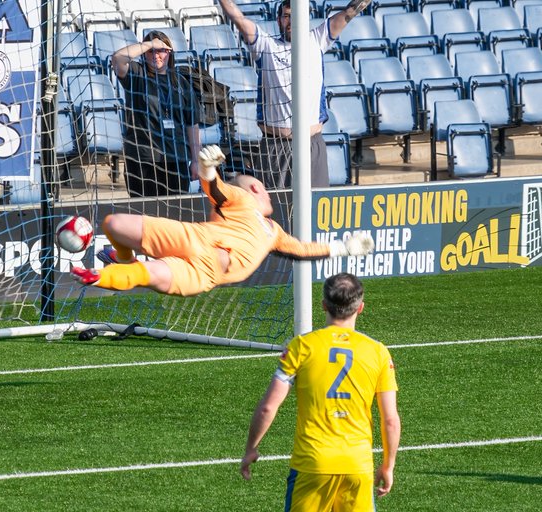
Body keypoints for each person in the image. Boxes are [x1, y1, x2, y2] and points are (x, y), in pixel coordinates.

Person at [240, 272, 400, 512]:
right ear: (361, 307)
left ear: (324, 306)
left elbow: (268, 405)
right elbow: (390, 419)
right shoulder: (377, 352)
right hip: (357, 465)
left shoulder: (301, 346)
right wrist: (388, 465)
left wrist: (251, 448)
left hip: (311, 463)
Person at [71, 145, 372, 295]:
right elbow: (214, 189)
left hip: (204, 275)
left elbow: (302, 251)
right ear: (255, 189)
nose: (267, 194)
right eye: (262, 188)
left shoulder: (275, 233)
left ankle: (103, 275)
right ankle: (122, 259)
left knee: (143, 274)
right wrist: (207, 170)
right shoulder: (242, 200)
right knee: (113, 224)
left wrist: (344, 248)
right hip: (194, 237)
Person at [217, 0, 371, 189]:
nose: (291, 21)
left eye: (295, 16)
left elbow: (350, 12)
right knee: (276, 211)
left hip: (311, 145)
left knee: (315, 208)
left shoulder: (317, 38)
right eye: (286, 16)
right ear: (278, 19)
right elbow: (237, 18)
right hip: (276, 148)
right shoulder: (266, 45)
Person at [111, 31, 202, 197]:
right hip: (143, 158)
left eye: (161, 50)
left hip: (176, 158)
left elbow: (192, 123)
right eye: (151, 51)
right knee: (146, 215)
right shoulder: (137, 74)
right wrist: (150, 44)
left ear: (169, 53)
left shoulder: (181, 82)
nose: (156, 55)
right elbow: (117, 59)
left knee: (175, 215)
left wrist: (196, 160)